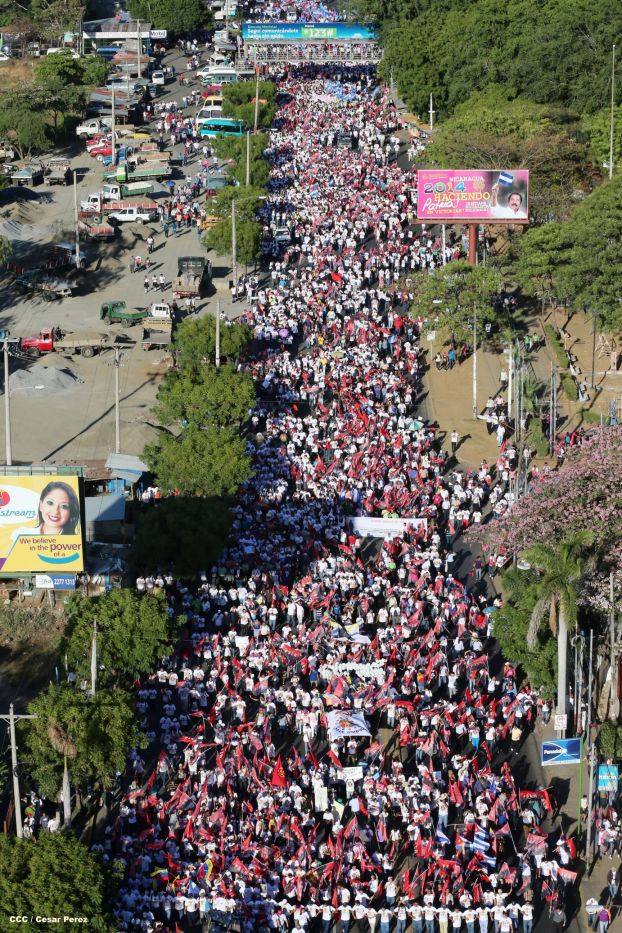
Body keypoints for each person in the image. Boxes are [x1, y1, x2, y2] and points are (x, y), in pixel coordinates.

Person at [11, 481, 80, 539]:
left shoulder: (75, 542)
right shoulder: (22, 534)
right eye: (50, 503)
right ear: (41, 505)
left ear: (71, 512)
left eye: (64, 506)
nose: (55, 511)